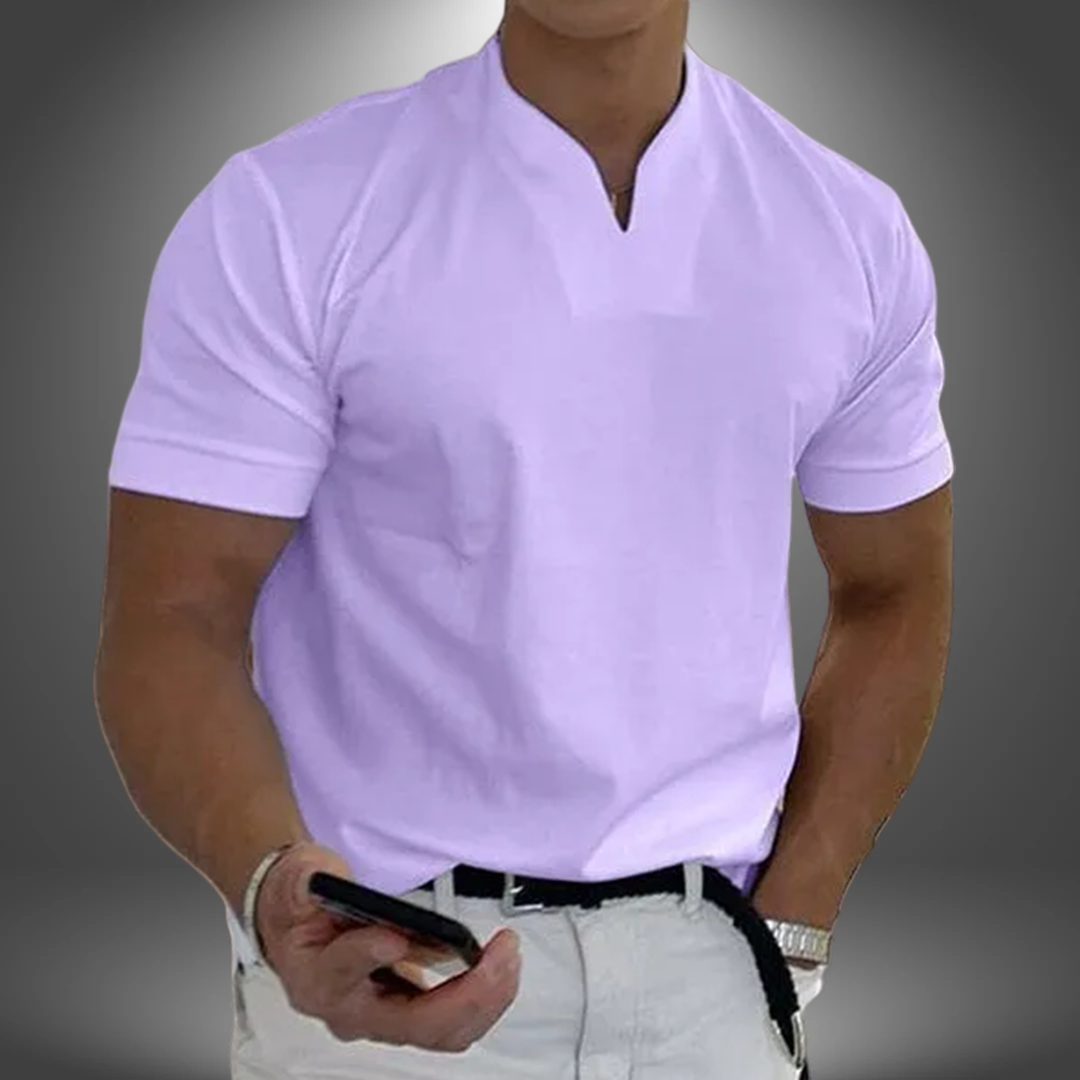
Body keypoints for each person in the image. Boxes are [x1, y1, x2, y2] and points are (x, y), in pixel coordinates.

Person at [93, 0, 955, 1077]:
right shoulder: (292, 212)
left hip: (716, 983)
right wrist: (276, 886)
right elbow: (176, 614)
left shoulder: (847, 230)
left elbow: (893, 589)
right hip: (388, 973)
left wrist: (794, 916)